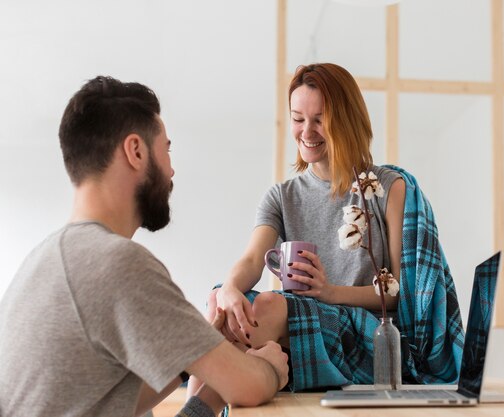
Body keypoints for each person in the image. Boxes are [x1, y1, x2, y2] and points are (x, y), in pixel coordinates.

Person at [0, 76, 288, 417]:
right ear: (136, 151)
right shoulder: (117, 263)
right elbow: (251, 387)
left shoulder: (44, 261)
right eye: (166, 149)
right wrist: (269, 367)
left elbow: (110, 403)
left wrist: (200, 352)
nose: (172, 170)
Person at [194, 63, 465, 393]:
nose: (306, 132)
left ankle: (209, 403)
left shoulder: (389, 189)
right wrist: (230, 290)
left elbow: (402, 295)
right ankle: (216, 400)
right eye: (298, 119)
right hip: (300, 327)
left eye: (319, 120)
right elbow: (252, 260)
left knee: (266, 307)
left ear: (347, 120)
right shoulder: (282, 196)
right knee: (219, 302)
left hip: (370, 340)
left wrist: (330, 293)